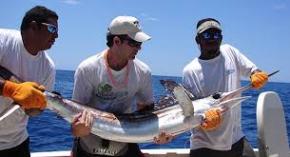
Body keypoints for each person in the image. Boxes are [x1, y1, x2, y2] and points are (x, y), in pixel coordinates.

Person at [70, 15, 179, 157]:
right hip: (90, 138)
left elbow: (147, 113)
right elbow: (76, 115)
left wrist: (159, 133)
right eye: (134, 43)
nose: (139, 48)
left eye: (140, 43)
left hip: (126, 138)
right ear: (116, 41)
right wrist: (77, 130)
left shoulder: (143, 71)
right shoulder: (88, 68)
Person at [182, 18, 268, 157]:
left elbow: (253, 71)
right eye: (207, 35)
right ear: (198, 40)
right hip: (204, 144)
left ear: (221, 38)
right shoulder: (190, 70)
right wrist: (203, 120)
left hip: (236, 139)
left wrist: (256, 75)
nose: (213, 39)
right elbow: (189, 113)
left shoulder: (230, 52)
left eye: (217, 35)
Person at [0, 6, 58, 157]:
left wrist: (35, 106)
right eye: (52, 29)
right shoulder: (3, 40)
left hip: (17, 143)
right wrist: (11, 89)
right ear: (33, 26)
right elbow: (15, 91)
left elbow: (34, 113)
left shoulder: (48, 67)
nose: (56, 35)